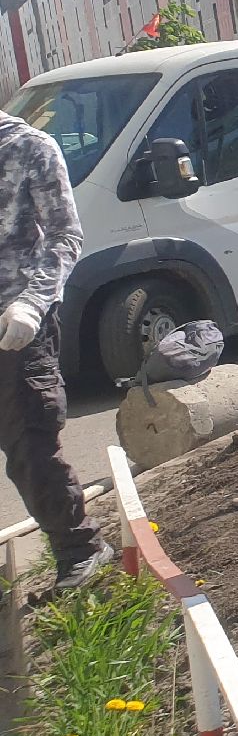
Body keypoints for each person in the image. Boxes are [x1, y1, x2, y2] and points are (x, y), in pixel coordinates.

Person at [0, 111, 109, 591]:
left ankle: (80, 547)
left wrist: (30, 303)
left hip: (16, 326)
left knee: (30, 444)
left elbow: (65, 235)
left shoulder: (30, 148)